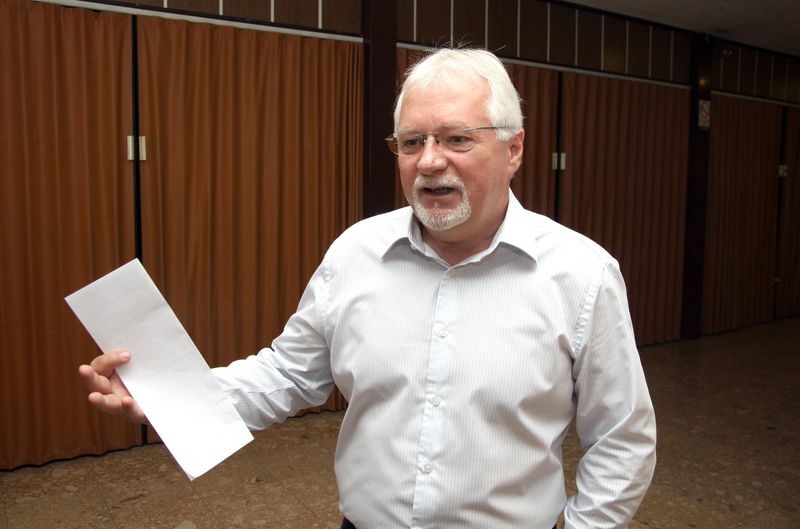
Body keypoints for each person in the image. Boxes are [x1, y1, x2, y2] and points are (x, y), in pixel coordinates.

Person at [79, 47, 656, 529]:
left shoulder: (581, 274)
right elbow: (288, 375)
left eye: (456, 139)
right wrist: (167, 397)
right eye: (412, 142)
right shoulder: (355, 253)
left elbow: (621, 438)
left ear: (514, 149)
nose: (429, 162)